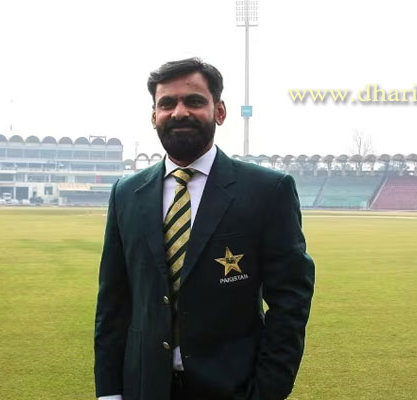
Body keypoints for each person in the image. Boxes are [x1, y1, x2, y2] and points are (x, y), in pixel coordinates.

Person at [94, 58, 315, 400]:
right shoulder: (126, 193)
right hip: (144, 387)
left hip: (232, 388)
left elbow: (290, 301)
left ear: (219, 111)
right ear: (154, 116)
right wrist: (109, 392)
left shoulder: (267, 190)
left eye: (194, 101)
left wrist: (267, 391)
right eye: (167, 103)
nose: (179, 112)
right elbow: (113, 303)